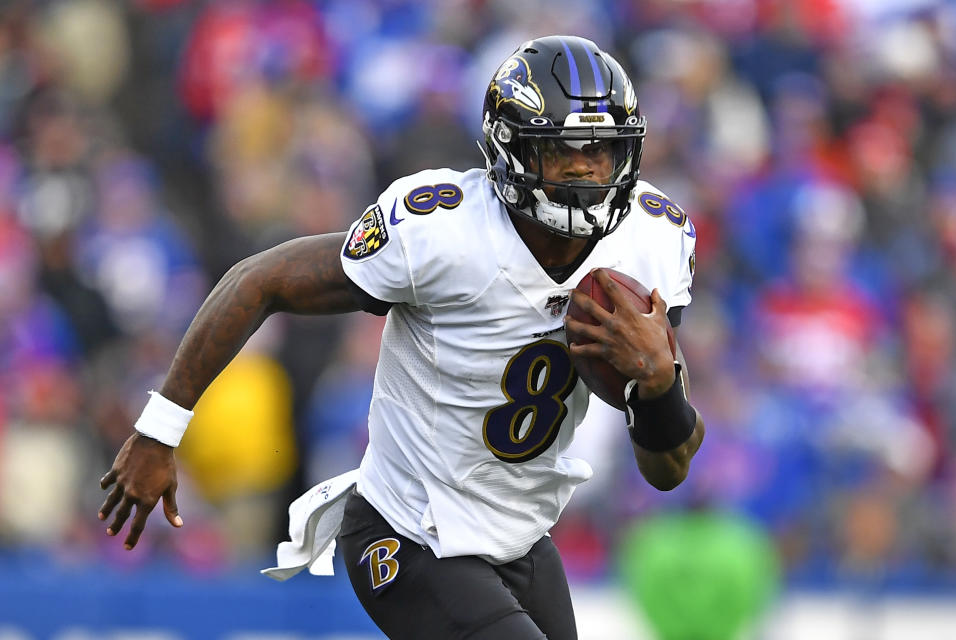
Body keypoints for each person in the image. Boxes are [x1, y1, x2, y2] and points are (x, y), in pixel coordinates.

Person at [99, 35, 705, 640]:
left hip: (521, 541)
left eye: (601, 151)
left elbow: (668, 468)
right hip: (409, 531)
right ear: (512, 149)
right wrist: (160, 429)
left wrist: (656, 388)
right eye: (561, 149)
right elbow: (258, 281)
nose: (584, 170)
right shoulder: (439, 229)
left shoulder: (651, 241)